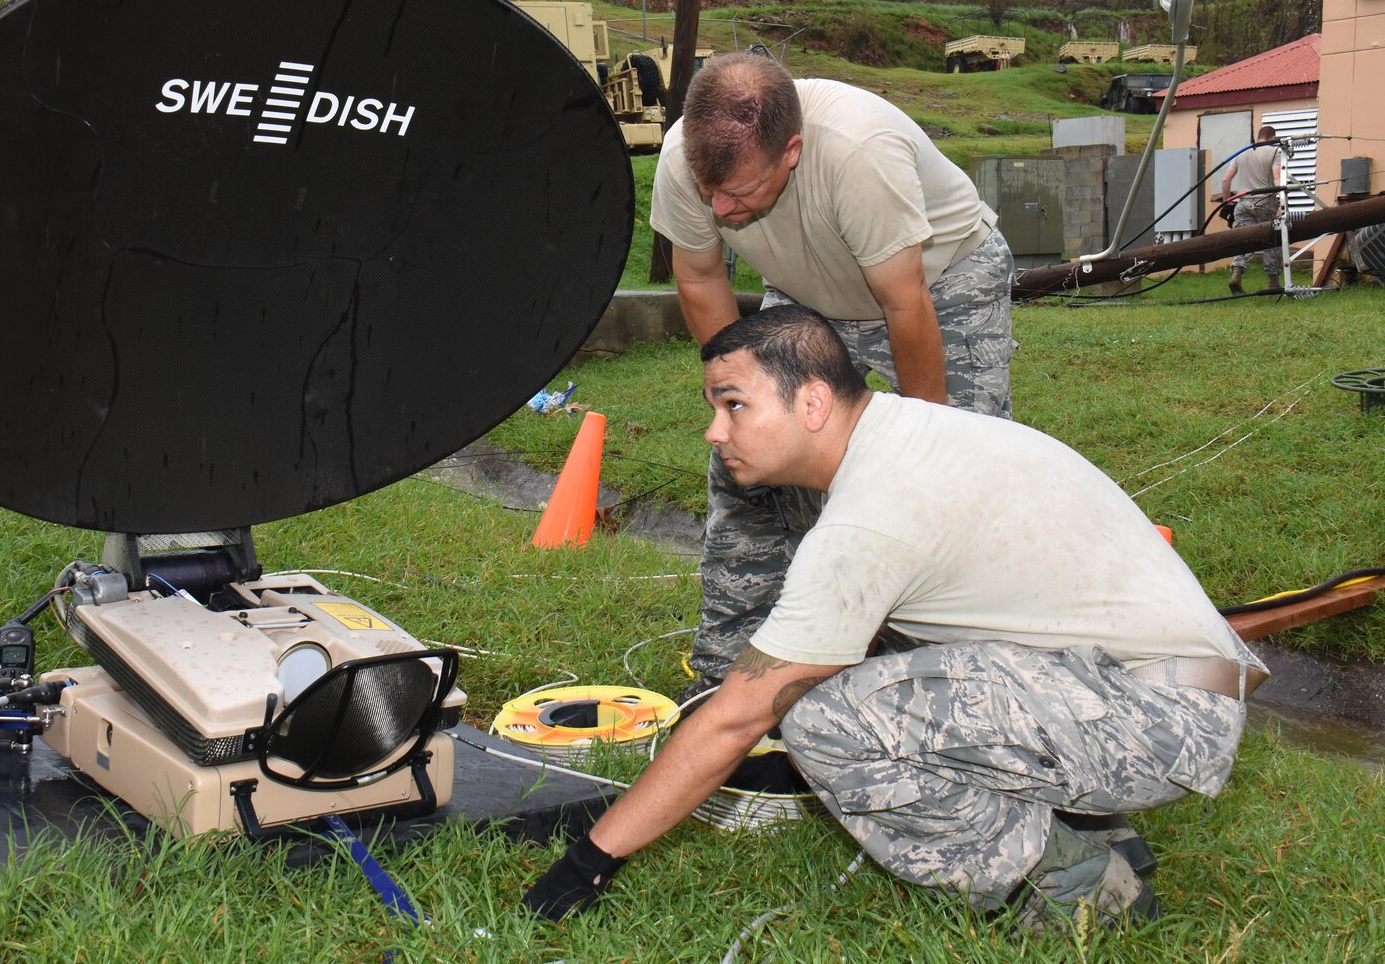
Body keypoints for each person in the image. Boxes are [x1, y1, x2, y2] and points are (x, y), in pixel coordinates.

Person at [523, 305, 1266, 931]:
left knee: (825, 720)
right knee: (878, 669)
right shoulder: (906, 433)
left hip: (1164, 721)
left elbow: (736, 717)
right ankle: (1099, 830)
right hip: (1150, 688)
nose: (715, 432)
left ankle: (1077, 888)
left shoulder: (870, 519)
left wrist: (590, 861)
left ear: (812, 403)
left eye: (734, 404)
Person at [650, 52, 1016, 690]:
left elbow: (905, 305)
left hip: (940, 281)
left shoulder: (859, 151)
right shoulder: (685, 155)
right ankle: (731, 672)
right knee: (750, 456)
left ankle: (941, 676)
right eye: (709, 191)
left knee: (956, 475)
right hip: (804, 288)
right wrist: (738, 402)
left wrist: (920, 450)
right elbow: (699, 274)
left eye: (737, 193)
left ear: (791, 152)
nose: (721, 209)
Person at [1219, 126, 1287, 294]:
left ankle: (1237, 273)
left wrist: (1227, 202)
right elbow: (1278, 178)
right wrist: (1283, 204)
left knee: (1244, 240)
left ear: (1258, 137)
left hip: (1243, 205)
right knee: (1272, 239)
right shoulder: (1275, 152)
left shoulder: (1242, 152)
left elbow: (1226, 179)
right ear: (1273, 137)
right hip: (1266, 203)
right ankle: (1273, 281)